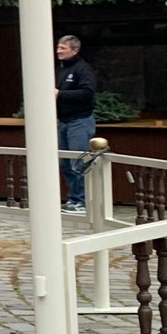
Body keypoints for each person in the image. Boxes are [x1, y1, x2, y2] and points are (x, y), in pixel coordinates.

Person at [57, 35, 99, 212]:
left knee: (77, 162)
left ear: (74, 50)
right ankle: (73, 199)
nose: (58, 51)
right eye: (58, 47)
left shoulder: (83, 69)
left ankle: (81, 200)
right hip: (63, 121)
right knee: (64, 163)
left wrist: (60, 94)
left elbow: (87, 93)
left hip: (79, 121)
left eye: (63, 48)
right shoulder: (59, 69)